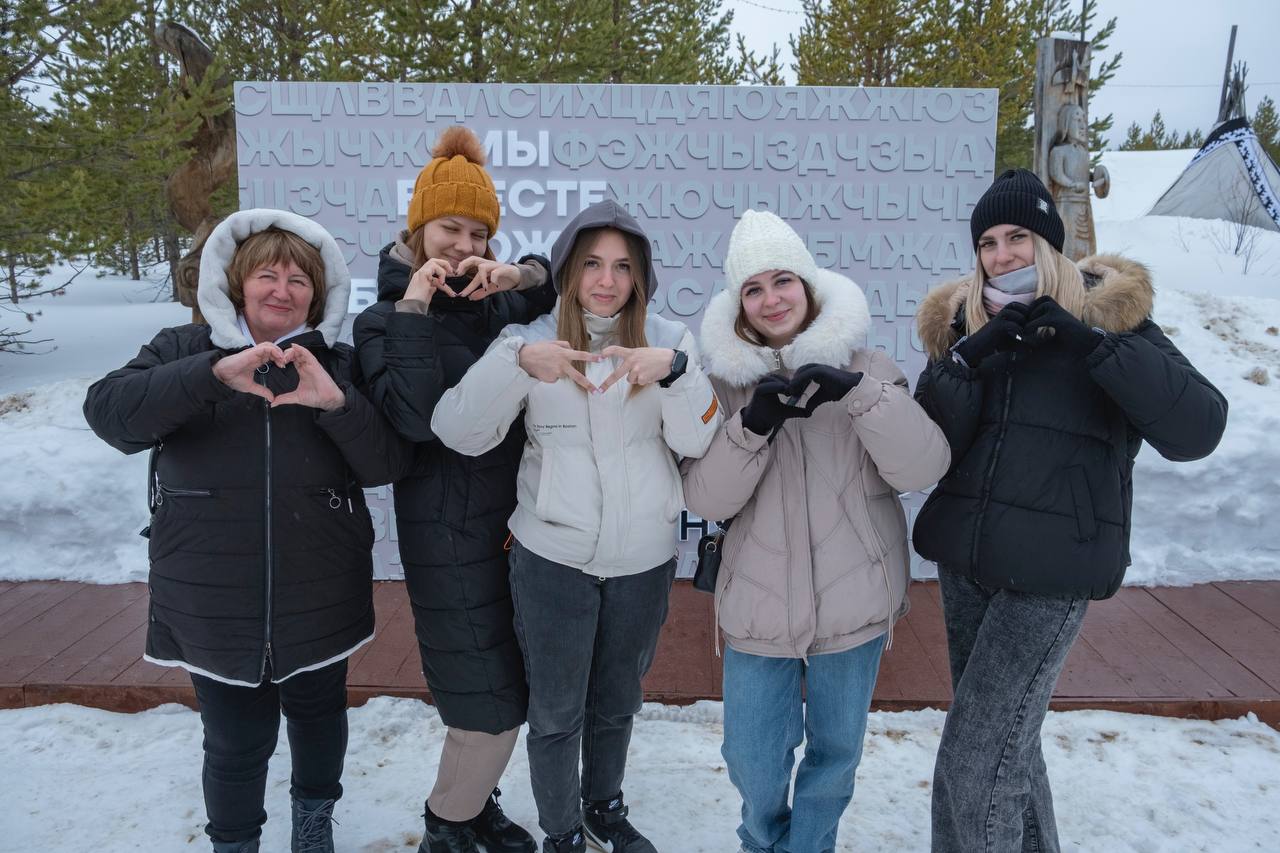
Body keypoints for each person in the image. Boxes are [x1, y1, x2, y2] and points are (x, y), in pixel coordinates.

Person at [912, 168, 1228, 852]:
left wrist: (1095, 350)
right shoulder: (965, 323)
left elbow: (1199, 426)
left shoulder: (1108, 315)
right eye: (988, 242)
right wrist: (968, 359)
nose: (1002, 255)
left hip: (1051, 574)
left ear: (1049, 241)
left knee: (972, 765)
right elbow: (924, 447)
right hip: (968, 568)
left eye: (1018, 236)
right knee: (1005, 752)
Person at [83, 209, 410, 853]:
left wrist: (336, 407)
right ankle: (235, 843)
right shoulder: (182, 348)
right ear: (237, 284)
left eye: (299, 280)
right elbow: (111, 415)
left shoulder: (337, 365)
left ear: (320, 294)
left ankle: (313, 828)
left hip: (319, 587)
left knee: (318, 719)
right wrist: (209, 376)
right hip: (210, 593)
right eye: (267, 274)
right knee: (235, 737)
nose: (282, 291)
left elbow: (389, 463)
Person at [430, 199, 722, 853]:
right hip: (550, 557)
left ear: (640, 275)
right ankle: (561, 829)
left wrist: (674, 374)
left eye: (623, 265)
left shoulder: (671, 340)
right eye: (592, 262)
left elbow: (701, 439)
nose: (607, 279)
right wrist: (515, 366)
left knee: (616, 701)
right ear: (567, 269)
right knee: (557, 711)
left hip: (643, 558)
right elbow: (456, 430)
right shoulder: (526, 342)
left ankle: (603, 807)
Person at [679, 210, 951, 853]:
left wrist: (859, 395)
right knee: (752, 757)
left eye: (782, 281)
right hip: (756, 603)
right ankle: (763, 841)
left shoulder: (870, 365)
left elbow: (923, 466)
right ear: (739, 306)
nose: (771, 299)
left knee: (834, 759)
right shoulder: (722, 386)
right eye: (753, 289)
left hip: (853, 598)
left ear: (808, 284)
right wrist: (751, 428)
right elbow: (704, 498)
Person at [353, 125, 555, 853]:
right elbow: (413, 417)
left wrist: (520, 277)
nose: (463, 244)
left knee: (507, 680)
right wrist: (413, 307)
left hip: (519, 527)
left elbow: (559, 273)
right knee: (487, 700)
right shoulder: (380, 321)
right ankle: (447, 820)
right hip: (446, 531)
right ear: (417, 227)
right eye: (448, 227)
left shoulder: (494, 305)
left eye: (478, 231)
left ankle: (474, 806)